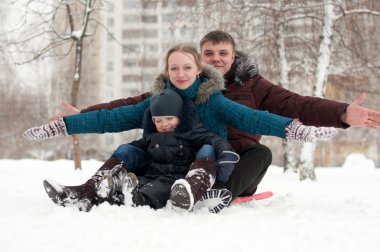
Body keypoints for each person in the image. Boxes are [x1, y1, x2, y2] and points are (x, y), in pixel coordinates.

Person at [50, 30, 380, 201]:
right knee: (148, 144)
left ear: (234, 56)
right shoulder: (186, 85)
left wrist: (343, 113)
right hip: (194, 153)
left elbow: (299, 104)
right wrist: (84, 114)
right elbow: (133, 105)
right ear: (200, 58)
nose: (217, 58)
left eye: (223, 53)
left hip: (235, 159)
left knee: (261, 153)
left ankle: (217, 194)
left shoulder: (255, 84)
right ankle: (112, 187)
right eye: (209, 53)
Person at [41, 89, 240, 212]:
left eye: (169, 119)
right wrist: (124, 153)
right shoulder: (152, 136)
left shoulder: (192, 130)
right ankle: (89, 191)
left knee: (153, 192)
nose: (164, 124)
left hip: (175, 182)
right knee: (127, 151)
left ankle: (182, 192)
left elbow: (213, 140)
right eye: (158, 120)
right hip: (150, 175)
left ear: (180, 116)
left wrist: (225, 154)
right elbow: (140, 147)